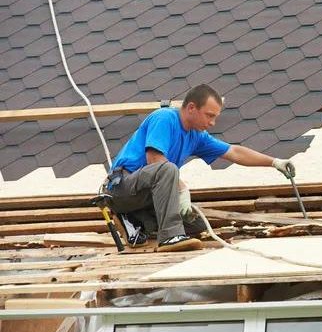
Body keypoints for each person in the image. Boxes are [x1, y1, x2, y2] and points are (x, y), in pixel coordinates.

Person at [102, 84, 295, 252]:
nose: (212, 123)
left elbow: (234, 152)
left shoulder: (196, 135)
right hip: (121, 189)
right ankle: (169, 237)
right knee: (168, 169)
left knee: (195, 223)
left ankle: (136, 221)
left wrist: (275, 162)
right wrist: (182, 189)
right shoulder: (165, 118)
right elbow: (154, 159)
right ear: (192, 108)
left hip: (144, 196)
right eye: (209, 116)